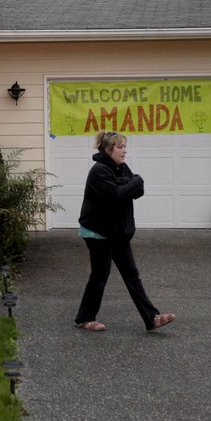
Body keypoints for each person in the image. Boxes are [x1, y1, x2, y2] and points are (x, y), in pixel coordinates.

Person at [74, 130, 175, 332]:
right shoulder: (99, 171)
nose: (124, 151)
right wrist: (133, 182)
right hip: (98, 233)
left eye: (124, 147)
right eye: (120, 147)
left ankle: (152, 318)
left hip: (117, 232)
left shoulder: (121, 167)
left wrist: (131, 183)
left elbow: (138, 190)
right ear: (108, 149)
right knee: (100, 276)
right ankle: (84, 318)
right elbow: (117, 194)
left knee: (132, 275)